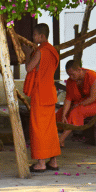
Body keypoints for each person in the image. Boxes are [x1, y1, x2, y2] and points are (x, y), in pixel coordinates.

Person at [22, 23, 61, 172]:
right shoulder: (53, 51)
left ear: (42, 36)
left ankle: (41, 163)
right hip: (50, 93)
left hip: (40, 94)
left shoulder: (42, 51)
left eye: (35, 35)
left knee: (38, 129)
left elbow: (29, 68)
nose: (33, 37)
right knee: (50, 128)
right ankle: (54, 161)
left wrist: (27, 53)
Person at [56, 60, 96, 147]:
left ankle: (61, 139)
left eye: (73, 74)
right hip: (81, 104)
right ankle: (55, 137)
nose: (71, 77)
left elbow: (92, 98)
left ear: (79, 69)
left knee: (76, 111)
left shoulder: (92, 76)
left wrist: (78, 105)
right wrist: (63, 114)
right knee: (60, 113)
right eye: (69, 75)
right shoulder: (71, 81)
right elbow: (68, 99)